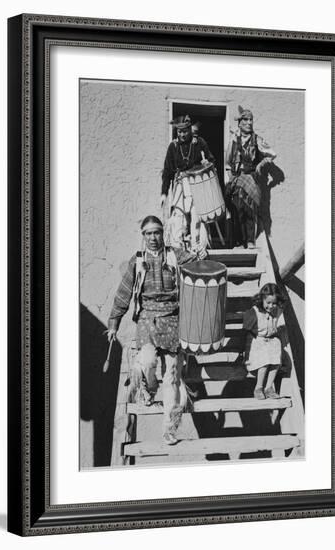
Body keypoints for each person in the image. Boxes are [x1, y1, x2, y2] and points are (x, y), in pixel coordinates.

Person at [107, 215, 206, 445]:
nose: (153, 237)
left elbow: (196, 264)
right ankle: (149, 388)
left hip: (172, 318)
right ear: (143, 236)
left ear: (163, 234)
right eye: (148, 233)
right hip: (146, 320)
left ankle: (169, 429)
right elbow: (123, 294)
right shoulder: (137, 260)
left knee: (172, 377)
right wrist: (114, 324)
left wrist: (201, 255)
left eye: (157, 232)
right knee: (148, 362)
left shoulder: (175, 255)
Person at [161, 115, 216, 251]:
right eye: (179, 132)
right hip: (180, 185)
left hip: (197, 184)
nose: (182, 134)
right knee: (178, 217)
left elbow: (212, 161)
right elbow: (167, 171)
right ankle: (177, 250)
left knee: (197, 217)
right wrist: (163, 193)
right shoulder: (173, 147)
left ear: (190, 129)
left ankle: (198, 248)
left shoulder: (199, 143)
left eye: (185, 131)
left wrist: (207, 163)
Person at [225, 106, 276, 248]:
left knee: (249, 210)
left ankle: (250, 241)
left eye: (251, 120)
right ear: (239, 123)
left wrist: (261, 164)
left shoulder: (257, 140)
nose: (249, 123)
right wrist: (232, 178)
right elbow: (228, 162)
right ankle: (239, 242)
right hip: (238, 179)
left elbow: (272, 154)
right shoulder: (233, 140)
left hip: (252, 179)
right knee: (236, 210)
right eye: (246, 120)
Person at [242, 283, 286, 400]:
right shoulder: (254, 313)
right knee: (265, 357)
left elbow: (278, 324)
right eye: (268, 303)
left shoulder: (278, 310)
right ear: (262, 299)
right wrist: (243, 352)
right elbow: (246, 331)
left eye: (274, 303)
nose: (271, 306)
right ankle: (259, 387)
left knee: (276, 351)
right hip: (256, 342)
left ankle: (269, 387)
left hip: (269, 340)